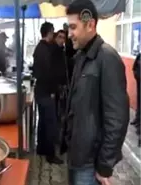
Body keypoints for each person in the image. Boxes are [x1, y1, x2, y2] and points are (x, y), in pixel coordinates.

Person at [63, 0, 129, 184]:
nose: (69, 35)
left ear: (90, 24)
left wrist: (105, 166)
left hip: (91, 163)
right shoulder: (82, 56)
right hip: (77, 155)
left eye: (73, 27)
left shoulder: (107, 58)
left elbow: (117, 118)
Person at [32, 22, 63, 164]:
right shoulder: (45, 50)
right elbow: (47, 73)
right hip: (46, 91)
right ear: (49, 33)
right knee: (50, 122)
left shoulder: (40, 48)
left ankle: (41, 148)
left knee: (43, 121)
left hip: (40, 89)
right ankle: (50, 154)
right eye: (53, 32)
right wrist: (52, 91)